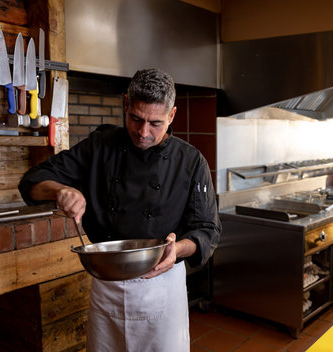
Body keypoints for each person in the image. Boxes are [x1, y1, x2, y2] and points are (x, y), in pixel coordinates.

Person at [18, 69, 221, 351]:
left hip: (161, 286)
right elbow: (31, 181)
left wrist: (179, 248)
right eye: (136, 118)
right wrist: (60, 191)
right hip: (107, 284)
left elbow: (208, 230)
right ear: (125, 104)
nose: (143, 132)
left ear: (172, 116)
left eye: (155, 123)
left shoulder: (190, 161)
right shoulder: (100, 146)